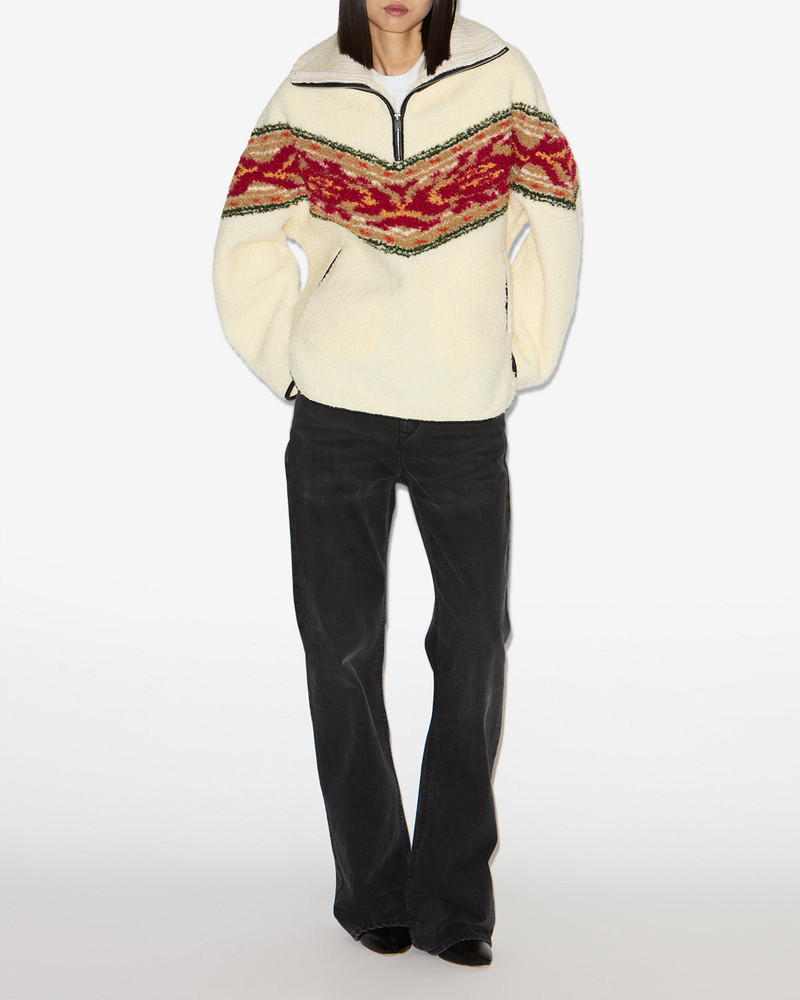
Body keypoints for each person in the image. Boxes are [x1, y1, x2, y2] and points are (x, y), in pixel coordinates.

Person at [212, 0, 581, 968]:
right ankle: (373, 888)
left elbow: (553, 208)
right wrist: (291, 360)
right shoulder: (308, 87)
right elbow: (245, 233)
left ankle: (452, 899)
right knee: (339, 650)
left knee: (473, 643)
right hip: (337, 413)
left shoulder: (500, 77)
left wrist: (522, 352)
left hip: (462, 413)